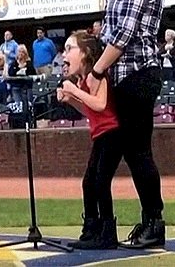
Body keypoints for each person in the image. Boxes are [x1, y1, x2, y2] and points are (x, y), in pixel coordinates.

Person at [86, 0, 166, 249]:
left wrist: (96, 69)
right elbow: (109, 32)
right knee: (128, 153)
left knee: (138, 151)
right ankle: (110, 223)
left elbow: (124, 34)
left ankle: (154, 221)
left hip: (137, 73)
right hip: (121, 77)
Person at [58, 31, 121, 250]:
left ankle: (107, 232)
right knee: (89, 182)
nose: (64, 55)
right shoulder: (83, 80)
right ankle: (91, 228)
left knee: (101, 182)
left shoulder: (98, 76)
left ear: (84, 53)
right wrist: (71, 100)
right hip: (101, 134)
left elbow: (100, 105)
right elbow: (89, 110)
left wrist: (75, 91)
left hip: (112, 134)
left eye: (69, 49)